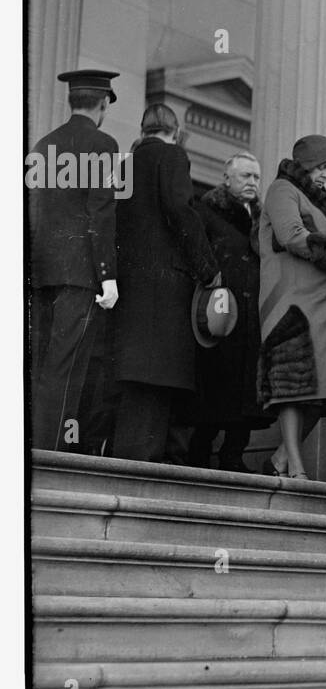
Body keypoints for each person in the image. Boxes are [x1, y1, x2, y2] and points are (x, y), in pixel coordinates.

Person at [111, 104, 219, 462]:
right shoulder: (172, 156)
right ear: (176, 130)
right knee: (158, 388)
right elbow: (179, 208)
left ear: (143, 130)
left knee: (134, 391)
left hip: (129, 288)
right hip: (164, 290)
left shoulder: (125, 164)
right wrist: (207, 266)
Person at [28, 69, 121, 452]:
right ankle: (51, 457)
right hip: (81, 274)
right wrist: (108, 276)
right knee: (67, 370)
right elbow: (101, 212)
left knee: (41, 367)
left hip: (40, 272)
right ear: (102, 104)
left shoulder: (42, 144)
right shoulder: (104, 144)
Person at [257, 134, 326, 480]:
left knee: (321, 393)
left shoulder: (317, 199)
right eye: (321, 167)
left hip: (323, 309)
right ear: (306, 165)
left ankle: (281, 459)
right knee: (293, 390)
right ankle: (296, 468)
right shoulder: (283, 190)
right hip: (293, 305)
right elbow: (291, 234)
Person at [187, 151, 269, 472]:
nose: (252, 182)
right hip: (219, 312)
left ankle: (234, 453)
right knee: (216, 382)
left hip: (252, 315)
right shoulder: (208, 212)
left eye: (256, 177)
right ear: (227, 179)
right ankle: (200, 449)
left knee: (248, 389)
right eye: (245, 176)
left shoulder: (263, 220)